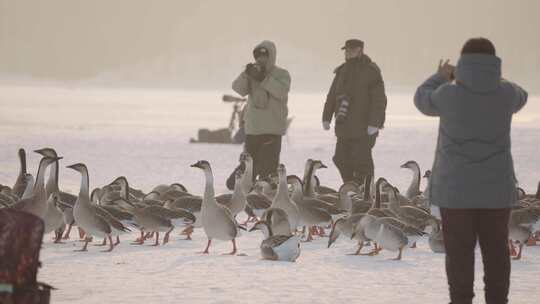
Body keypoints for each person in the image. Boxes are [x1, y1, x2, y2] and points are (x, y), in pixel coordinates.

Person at [414, 37, 527, 304]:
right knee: (497, 252)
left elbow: (421, 99)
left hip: (456, 193)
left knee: (460, 255)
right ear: (494, 63)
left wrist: (441, 76)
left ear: (462, 62)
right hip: (496, 192)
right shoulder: (506, 94)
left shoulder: (447, 94)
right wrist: (494, 78)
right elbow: (522, 94)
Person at [322, 39, 387, 185]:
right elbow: (332, 96)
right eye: (346, 50)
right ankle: (351, 186)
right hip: (344, 126)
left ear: (360, 50)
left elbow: (379, 100)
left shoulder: (371, 71)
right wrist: (326, 117)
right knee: (340, 158)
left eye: (351, 50)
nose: (347, 52)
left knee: (361, 160)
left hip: (364, 127)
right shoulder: (341, 71)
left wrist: (375, 123)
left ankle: (365, 191)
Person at [231, 40, 291, 181]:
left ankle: (267, 198)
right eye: (258, 56)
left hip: (272, 130)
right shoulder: (252, 74)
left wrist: (264, 78)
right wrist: (246, 74)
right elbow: (238, 89)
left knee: (268, 172)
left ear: (271, 56)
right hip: (253, 129)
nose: (261, 59)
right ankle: (244, 193)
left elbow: (281, 92)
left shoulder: (282, 74)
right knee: (247, 172)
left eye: (264, 56)